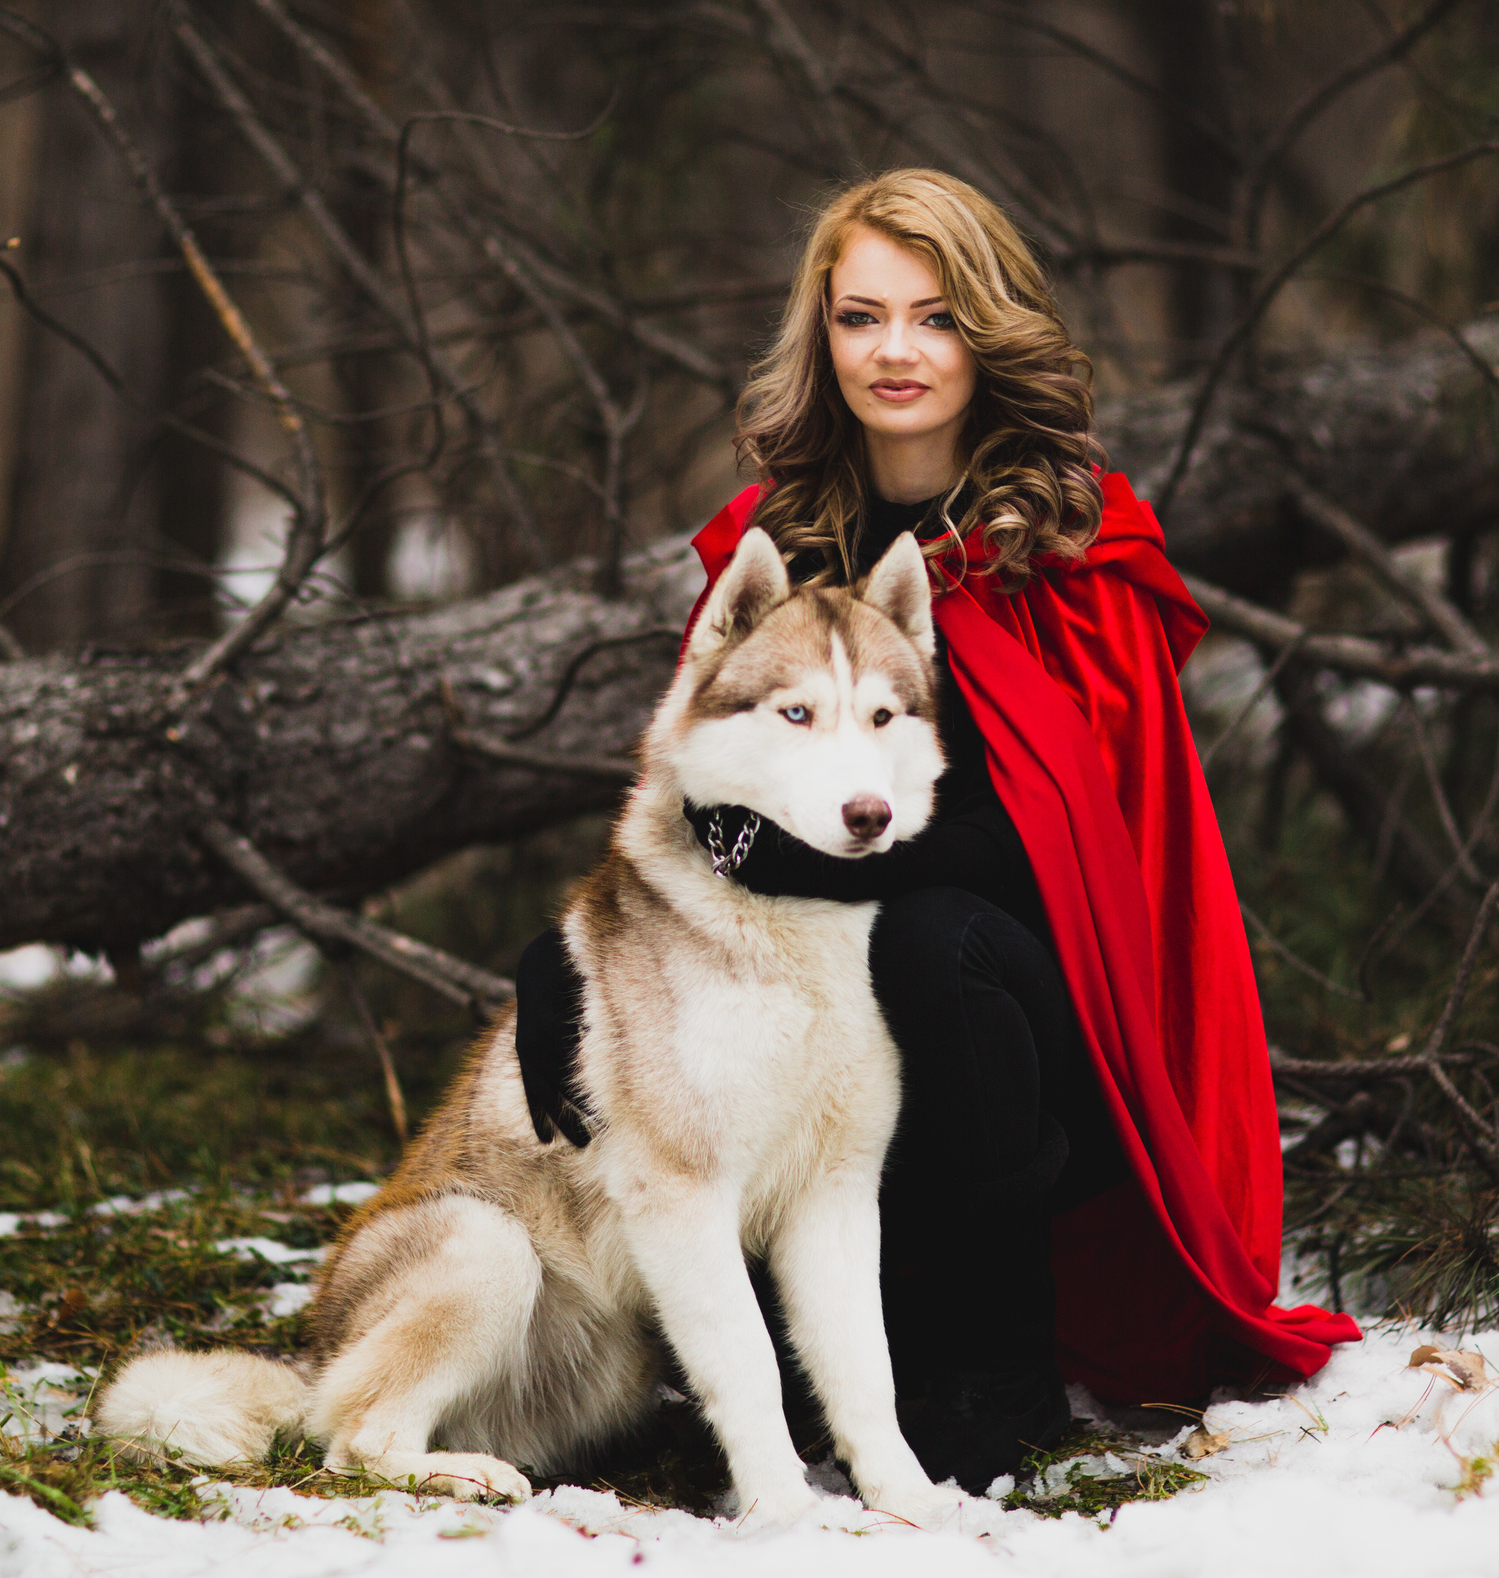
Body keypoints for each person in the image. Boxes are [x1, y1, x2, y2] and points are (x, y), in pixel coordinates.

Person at [515, 168, 1358, 1490]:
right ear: (823, 334)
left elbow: (1041, 851)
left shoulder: (1075, 550)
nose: (895, 352)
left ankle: (994, 1355)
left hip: (1034, 1033)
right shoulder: (775, 544)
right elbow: (700, 786)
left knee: (925, 935)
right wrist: (572, 952)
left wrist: (770, 855)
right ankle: (801, 1349)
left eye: (935, 316)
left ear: (988, 334)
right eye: (861, 318)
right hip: (826, 1035)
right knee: (750, 967)